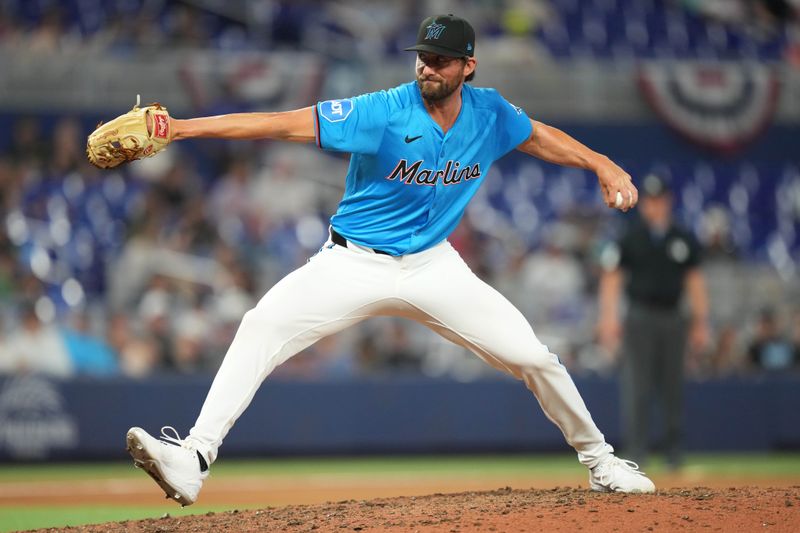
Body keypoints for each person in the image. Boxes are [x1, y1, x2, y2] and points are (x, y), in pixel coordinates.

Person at [123, 14, 654, 506]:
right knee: (260, 325)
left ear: (468, 66)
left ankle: (601, 461)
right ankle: (193, 458)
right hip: (353, 263)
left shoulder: (489, 112)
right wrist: (184, 129)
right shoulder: (383, 111)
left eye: (441, 59)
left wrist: (600, 163)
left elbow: (537, 136)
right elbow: (281, 123)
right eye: (423, 56)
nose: (428, 66)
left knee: (535, 358)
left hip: (433, 266)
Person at [597, 173, 710, 471]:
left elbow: (695, 281)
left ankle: (674, 452)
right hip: (640, 316)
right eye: (650, 201)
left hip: (673, 316)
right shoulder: (631, 237)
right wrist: (608, 318)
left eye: (659, 200)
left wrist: (700, 322)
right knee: (637, 384)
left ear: (668, 202)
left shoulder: (682, 238)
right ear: (643, 204)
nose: (654, 206)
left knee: (673, 384)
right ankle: (636, 452)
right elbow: (613, 277)